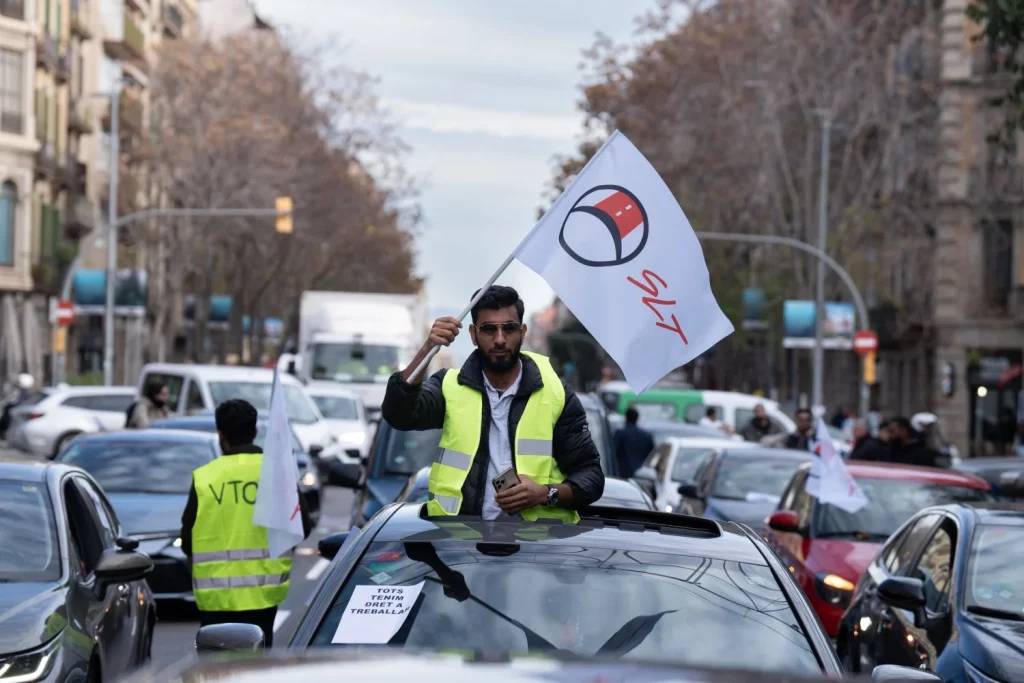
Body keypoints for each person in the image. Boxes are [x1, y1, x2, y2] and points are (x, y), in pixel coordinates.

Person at [381, 285, 605, 522]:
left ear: (523, 332)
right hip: (458, 544)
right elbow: (399, 414)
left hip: (535, 549)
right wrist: (427, 349)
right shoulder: (449, 386)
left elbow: (591, 477)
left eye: (509, 328)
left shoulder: (555, 393)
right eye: (489, 329)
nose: (500, 339)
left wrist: (545, 493)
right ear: (473, 334)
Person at [179, 399, 312, 647]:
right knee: (254, 669)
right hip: (264, 595)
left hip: (215, 598)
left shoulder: (205, 478)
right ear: (254, 432)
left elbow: (187, 542)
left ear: (221, 436)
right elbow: (301, 526)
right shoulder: (276, 473)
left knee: (216, 670)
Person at [613, 407, 655, 478]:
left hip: (621, 473)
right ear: (637, 418)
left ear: (626, 418)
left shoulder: (620, 434)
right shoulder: (646, 436)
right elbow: (651, 455)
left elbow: (614, 452)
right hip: (640, 474)